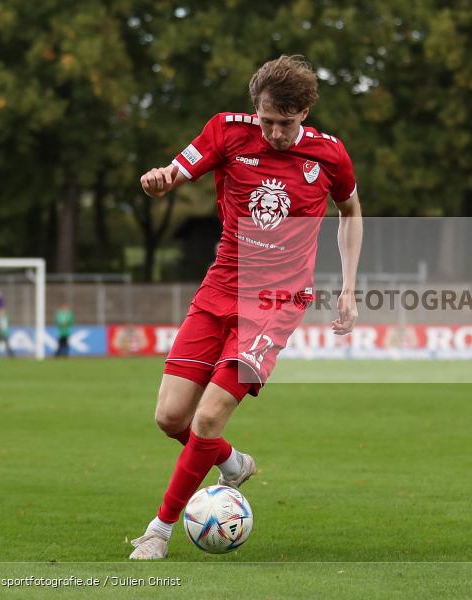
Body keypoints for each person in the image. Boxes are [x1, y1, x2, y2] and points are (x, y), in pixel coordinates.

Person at [128, 55, 363, 560]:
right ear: (255, 108)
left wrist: (347, 286)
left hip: (276, 304)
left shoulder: (330, 156)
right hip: (220, 288)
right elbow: (178, 169)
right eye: (267, 120)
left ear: (305, 112)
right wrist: (162, 179)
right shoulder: (226, 131)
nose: (275, 131)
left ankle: (158, 530)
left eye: (286, 121)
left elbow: (351, 212)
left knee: (208, 418)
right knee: (171, 418)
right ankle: (232, 464)